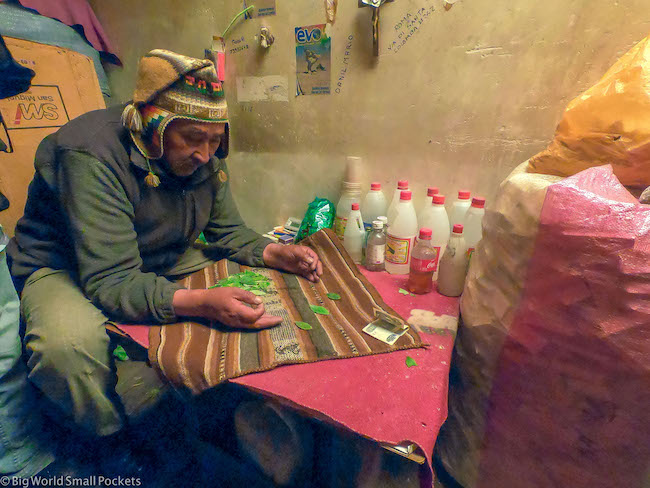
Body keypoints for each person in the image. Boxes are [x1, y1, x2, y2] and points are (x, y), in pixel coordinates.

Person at [6, 49, 322, 478]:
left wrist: (273, 252)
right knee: (68, 349)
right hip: (68, 263)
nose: (205, 155)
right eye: (192, 139)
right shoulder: (90, 154)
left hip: (154, 252)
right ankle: (111, 440)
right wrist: (201, 302)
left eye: (214, 141)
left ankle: (216, 405)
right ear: (152, 128)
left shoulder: (205, 150)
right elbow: (112, 280)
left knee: (251, 286)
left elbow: (227, 232)